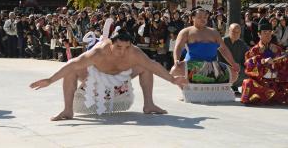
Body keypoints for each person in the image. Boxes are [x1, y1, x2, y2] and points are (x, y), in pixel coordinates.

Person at [29, 29, 187, 121]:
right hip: (95, 78)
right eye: (118, 47)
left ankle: (149, 104)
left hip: (121, 78)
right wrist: (50, 80)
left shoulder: (134, 53)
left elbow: (154, 65)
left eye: (126, 47)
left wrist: (172, 79)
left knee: (145, 66)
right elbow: (73, 63)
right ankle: (67, 110)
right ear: (111, 43)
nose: (122, 51)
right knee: (72, 70)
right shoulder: (98, 52)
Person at [241, 23, 288, 106]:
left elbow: (286, 62)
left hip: (276, 83)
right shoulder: (254, 50)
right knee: (248, 83)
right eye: (265, 32)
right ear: (259, 34)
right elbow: (248, 64)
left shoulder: (277, 48)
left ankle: (280, 98)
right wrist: (262, 61)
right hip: (261, 83)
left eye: (270, 32)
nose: (268, 35)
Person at [171, 8, 239, 85]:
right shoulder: (186, 32)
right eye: (200, 17)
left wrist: (233, 63)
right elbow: (179, 47)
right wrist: (176, 60)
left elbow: (223, 49)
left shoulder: (214, 32)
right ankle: (187, 89)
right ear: (193, 18)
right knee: (175, 70)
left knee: (234, 75)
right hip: (192, 64)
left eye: (205, 17)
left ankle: (211, 87)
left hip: (212, 65)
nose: (203, 19)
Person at [218, 23, 249, 95]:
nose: (235, 34)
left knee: (248, 73)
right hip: (223, 67)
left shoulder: (242, 44)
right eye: (233, 31)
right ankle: (227, 86)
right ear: (229, 31)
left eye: (238, 32)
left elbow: (248, 55)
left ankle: (234, 86)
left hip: (237, 68)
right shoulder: (222, 41)